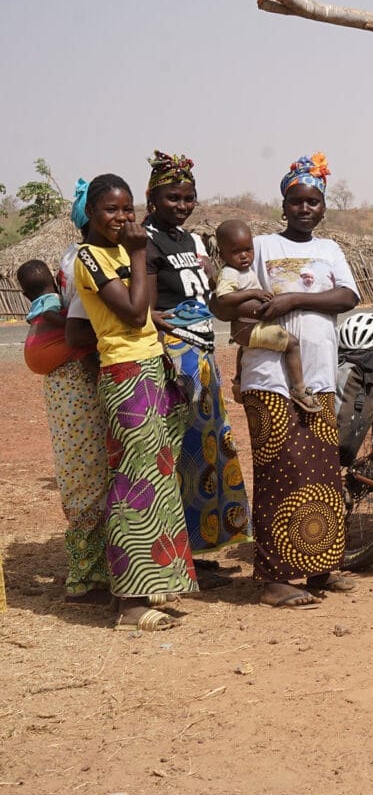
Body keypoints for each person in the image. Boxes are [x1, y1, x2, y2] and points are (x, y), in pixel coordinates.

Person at [227, 153, 358, 609]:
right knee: (278, 469)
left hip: (318, 377)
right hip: (268, 375)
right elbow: (230, 293)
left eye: (313, 202)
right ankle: (276, 578)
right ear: (284, 205)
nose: (305, 209)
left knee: (321, 471)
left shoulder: (330, 251)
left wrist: (293, 300)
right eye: (296, 201)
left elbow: (347, 296)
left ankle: (320, 566)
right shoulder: (260, 246)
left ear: (323, 207)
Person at [73, 173, 196, 630]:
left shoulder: (120, 252)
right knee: (135, 482)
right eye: (110, 209)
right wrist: (142, 251)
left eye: (127, 209)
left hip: (147, 366)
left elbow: (142, 313)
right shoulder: (91, 256)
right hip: (125, 372)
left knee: (156, 478)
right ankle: (129, 604)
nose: (122, 218)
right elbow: (131, 312)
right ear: (91, 213)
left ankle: (146, 587)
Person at [142, 151, 251, 570]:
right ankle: (173, 554)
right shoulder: (146, 241)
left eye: (188, 198)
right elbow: (152, 311)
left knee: (206, 454)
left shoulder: (192, 241)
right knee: (180, 455)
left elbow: (206, 296)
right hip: (176, 360)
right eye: (173, 198)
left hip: (203, 355)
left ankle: (197, 548)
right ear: (153, 197)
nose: (182, 206)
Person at [19, 256, 108, 603]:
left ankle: (92, 572)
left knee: (81, 478)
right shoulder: (60, 306)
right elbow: (74, 338)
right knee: (87, 481)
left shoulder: (44, 308)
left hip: (63, 394)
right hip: (73, 391)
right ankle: (85, 579)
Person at [210, 219, 319, 413]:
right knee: (291, 344)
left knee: (245, 349)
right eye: (236, 252)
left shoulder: (240, 269)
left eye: (248, 250)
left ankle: (238, 381)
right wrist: (254, 294)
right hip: (248, 327)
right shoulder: (230, 272)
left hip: (246, 328)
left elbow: (215, 281)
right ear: (222, 253)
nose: (244, 256)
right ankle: (300, 389)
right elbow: (224, 298)